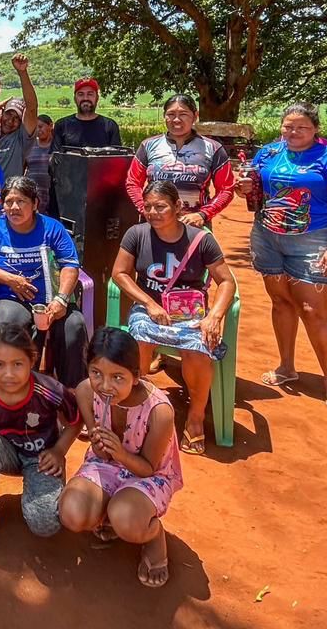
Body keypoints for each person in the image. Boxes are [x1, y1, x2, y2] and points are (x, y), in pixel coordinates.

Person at [237, 103, 327, 412]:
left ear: (315, 129)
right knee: (280, 302)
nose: (294, 132)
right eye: (288, 126)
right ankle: (286, 366)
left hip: (312, 239)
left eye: (302, 127)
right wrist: (245, 188)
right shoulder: (268, 153)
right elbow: (254, 192)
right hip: (267, 237)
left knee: (313, 311)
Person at [112, 181, 238, 453]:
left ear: (178, 206)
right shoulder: (137, 234)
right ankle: (141, 404)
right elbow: (119, 273)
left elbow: (227, 281)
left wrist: (214, 316)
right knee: (139, 339)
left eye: (160, 207)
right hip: (149, 308)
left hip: (190, 312)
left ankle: (195, 417)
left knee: (198, 347)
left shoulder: (201, 239)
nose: (152, 213)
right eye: (147, 207)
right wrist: (148, 303)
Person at [59, 328, 183, 589]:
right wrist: (101, 447)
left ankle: (153, 535)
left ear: (136, 376)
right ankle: (107, 515)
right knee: (71, 513)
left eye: (118, 377)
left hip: (147, 474)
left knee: (126, 518)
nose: (105, 386)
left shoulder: (159, 412)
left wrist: (120, 453)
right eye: (96, 373)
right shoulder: (85, 392)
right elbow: (100, 452)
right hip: (105, 464)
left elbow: (148, 468)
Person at [0, 323, 78, 557]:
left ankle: (46, 488)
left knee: (45, 524)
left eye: (18, 364)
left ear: (32, 360)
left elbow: (75, 420)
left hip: (41, 459)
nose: (8, 374)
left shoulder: (49, 390)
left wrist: (59, 450)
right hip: (4, 453)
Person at [0, 176, 85, 387]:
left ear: (34, 204)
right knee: (9, 321)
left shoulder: (52, 228)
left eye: (21, 201)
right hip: (13, 298)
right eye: (9, 202)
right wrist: (11, 279)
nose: (14, 207)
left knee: (74, 325)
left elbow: (70, 264)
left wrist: (61, 299)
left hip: (52, 299)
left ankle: (71, 390)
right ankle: (16, 385)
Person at [126, 95, 235, 226]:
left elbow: (226, 189)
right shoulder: (148, 146)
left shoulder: (213, 148)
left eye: (183, 114)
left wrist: (203, 214)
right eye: (171, 114)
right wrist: (145, 208)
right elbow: (133, 183)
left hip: (195, 225)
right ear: (164, 116)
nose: (176, 120)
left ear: (195, 116)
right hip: (153, 223)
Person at [0, 55, 40, 180]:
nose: (10, 121)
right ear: (2, 112)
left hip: (9, 191)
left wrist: (22, 72)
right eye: (8, 114)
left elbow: (32, 108)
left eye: (16, 118)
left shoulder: (21, 139)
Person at [53, 78, 123, 148]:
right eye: (81, 94)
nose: (85, 98)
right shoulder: (62, 125)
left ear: (97, 98)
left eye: (90, 94)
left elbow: (116, 154)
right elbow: (56, 154)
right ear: (75, 98)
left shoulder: (110, 126)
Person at [26, 113, 54, 212]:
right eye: (36, 128)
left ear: (50, 126)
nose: (38, 130)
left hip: (51, 194)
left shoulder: (56, 146)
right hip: (33, 193)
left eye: (41, 126)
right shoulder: (30, 145)